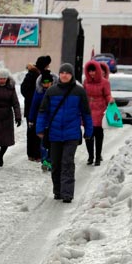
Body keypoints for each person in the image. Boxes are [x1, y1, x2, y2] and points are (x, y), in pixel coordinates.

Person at [36, 63, 93, 203]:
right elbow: (43, 112)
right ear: (59, 74)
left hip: (71, 134)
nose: (65, 75)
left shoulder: (79, 92)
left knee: (67, 162)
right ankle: (58, 191)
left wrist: (88, 130)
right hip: (54, 134)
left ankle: (67, 193)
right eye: (62, 72)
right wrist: (40, 129)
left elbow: (86, 113)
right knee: (55, 164)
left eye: (68, 72)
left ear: (72, 75)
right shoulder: (51, 91)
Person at [0, 68, 22, 170]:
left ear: (7, 79)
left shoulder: (11, 88)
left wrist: (18, 117)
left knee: (6, 141)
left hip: (7, 117)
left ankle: (0, 155)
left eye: (4, 78)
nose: (2, 80)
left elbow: (15, 103)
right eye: (0, 78)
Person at [21, 55, 51, 162]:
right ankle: (33, 154)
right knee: (32, 131)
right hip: (31, 108)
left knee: (38, 131)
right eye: (47, 65)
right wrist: (33, 98)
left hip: (40, 108)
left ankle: (37, 153)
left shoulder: (43, 75)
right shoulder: (32, 75)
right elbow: (24, 90)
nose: (48, 67)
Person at [82, 59, 112, 166]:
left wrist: (110, 101)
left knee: (98, 135)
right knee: (88, 135)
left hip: (100, 111)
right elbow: (83, 95)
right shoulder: (85, 82)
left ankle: (98, 157)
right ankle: (91, 156)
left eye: (93, 71)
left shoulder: (105, 82)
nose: (91, 73)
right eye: (89, 71)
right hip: (88, 111)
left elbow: (107, 95)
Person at [28, 73, 54, 171]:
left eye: (48, 82)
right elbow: (34, 106)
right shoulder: (38, 92)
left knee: (53, 143)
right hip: (43, 119)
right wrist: (31, 119)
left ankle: (51, 161)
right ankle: (45, 160)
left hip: (54, 120)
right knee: (43, 142)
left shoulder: (56, 91)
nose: (46, 84)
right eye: (44, 83)